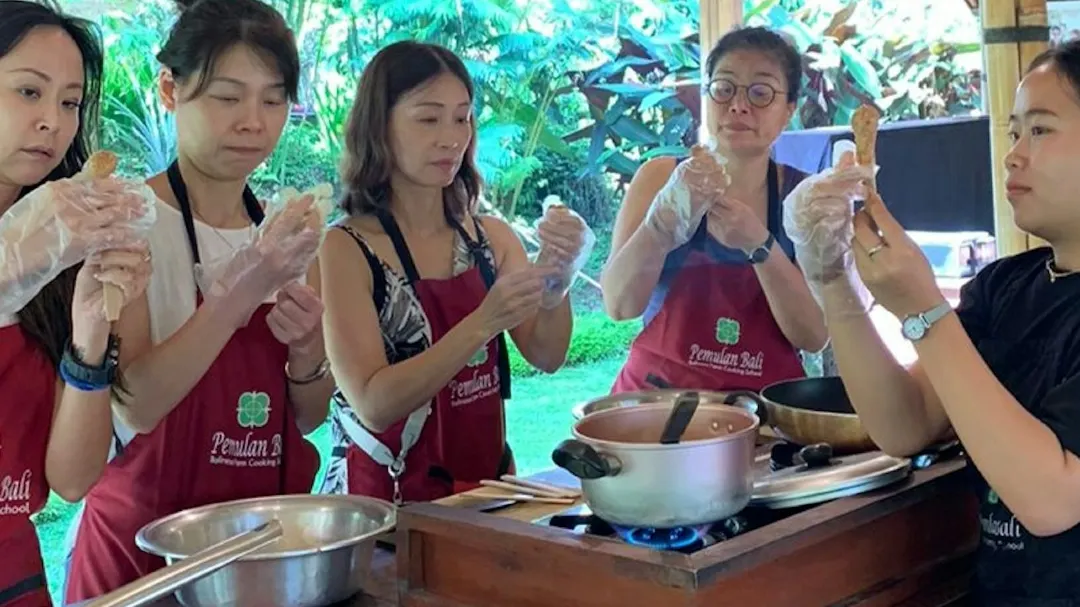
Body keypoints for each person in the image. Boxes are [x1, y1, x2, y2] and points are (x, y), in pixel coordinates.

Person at [784, 38, 1080, 606]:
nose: (1013, 154)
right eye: (1014, 132)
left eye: (1040, 130)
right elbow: (905, 424)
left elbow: (1051, 500)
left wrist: (924, 309)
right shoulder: (1005, 286)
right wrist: (833, 281)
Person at [64, 0, 332, 598]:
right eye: (227, 97)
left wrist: (309, 350)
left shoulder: (289, 229)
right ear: (169, 90)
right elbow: (134, 406)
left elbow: (309, 416)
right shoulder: (129, 222)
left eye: (273, 99)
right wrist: (244, 289)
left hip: (259, 551)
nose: (253, 122)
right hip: (145, 559)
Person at [318, 41, 593, 504]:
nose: (451, 137)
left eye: (462, 117)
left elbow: (547, 355)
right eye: (428, 118)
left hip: (487, 492)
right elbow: (374, 403)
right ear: (379, 127)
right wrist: (483, 323)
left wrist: (557, 280)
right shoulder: (345, 249)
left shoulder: (491, 240)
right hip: (385, 510)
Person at [0, 3, 154, 605]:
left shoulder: (66, 248)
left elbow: (69, 480)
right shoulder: (32, 247)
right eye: (28, 91)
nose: (52, 123)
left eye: (69, 103)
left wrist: (91, 329)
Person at [603, 27, 826, 393]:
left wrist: (761, 246)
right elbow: (619, 305)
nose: (738, 105)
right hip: (657, 406)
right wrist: (658, 229)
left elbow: (813, 334)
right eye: (724, 88)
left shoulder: (804, 197)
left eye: (760, 92)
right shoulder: (659, 177)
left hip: (763, 418)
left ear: (788, 110)